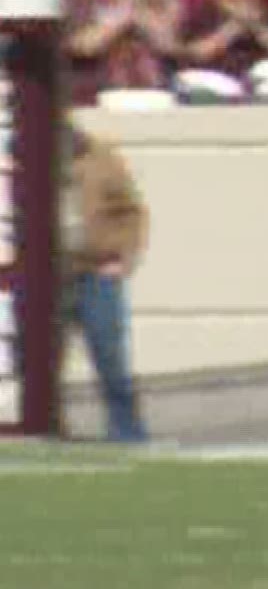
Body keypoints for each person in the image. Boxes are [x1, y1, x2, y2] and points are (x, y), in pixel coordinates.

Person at [65, 124, 151, 442]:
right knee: (39, 366)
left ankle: (127, 433)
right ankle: (48, 428)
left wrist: (121, 257)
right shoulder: (19, 158)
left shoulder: (100, 158)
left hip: (94, 271)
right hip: (47, 275)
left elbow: (130, 211)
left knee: (109, 356)